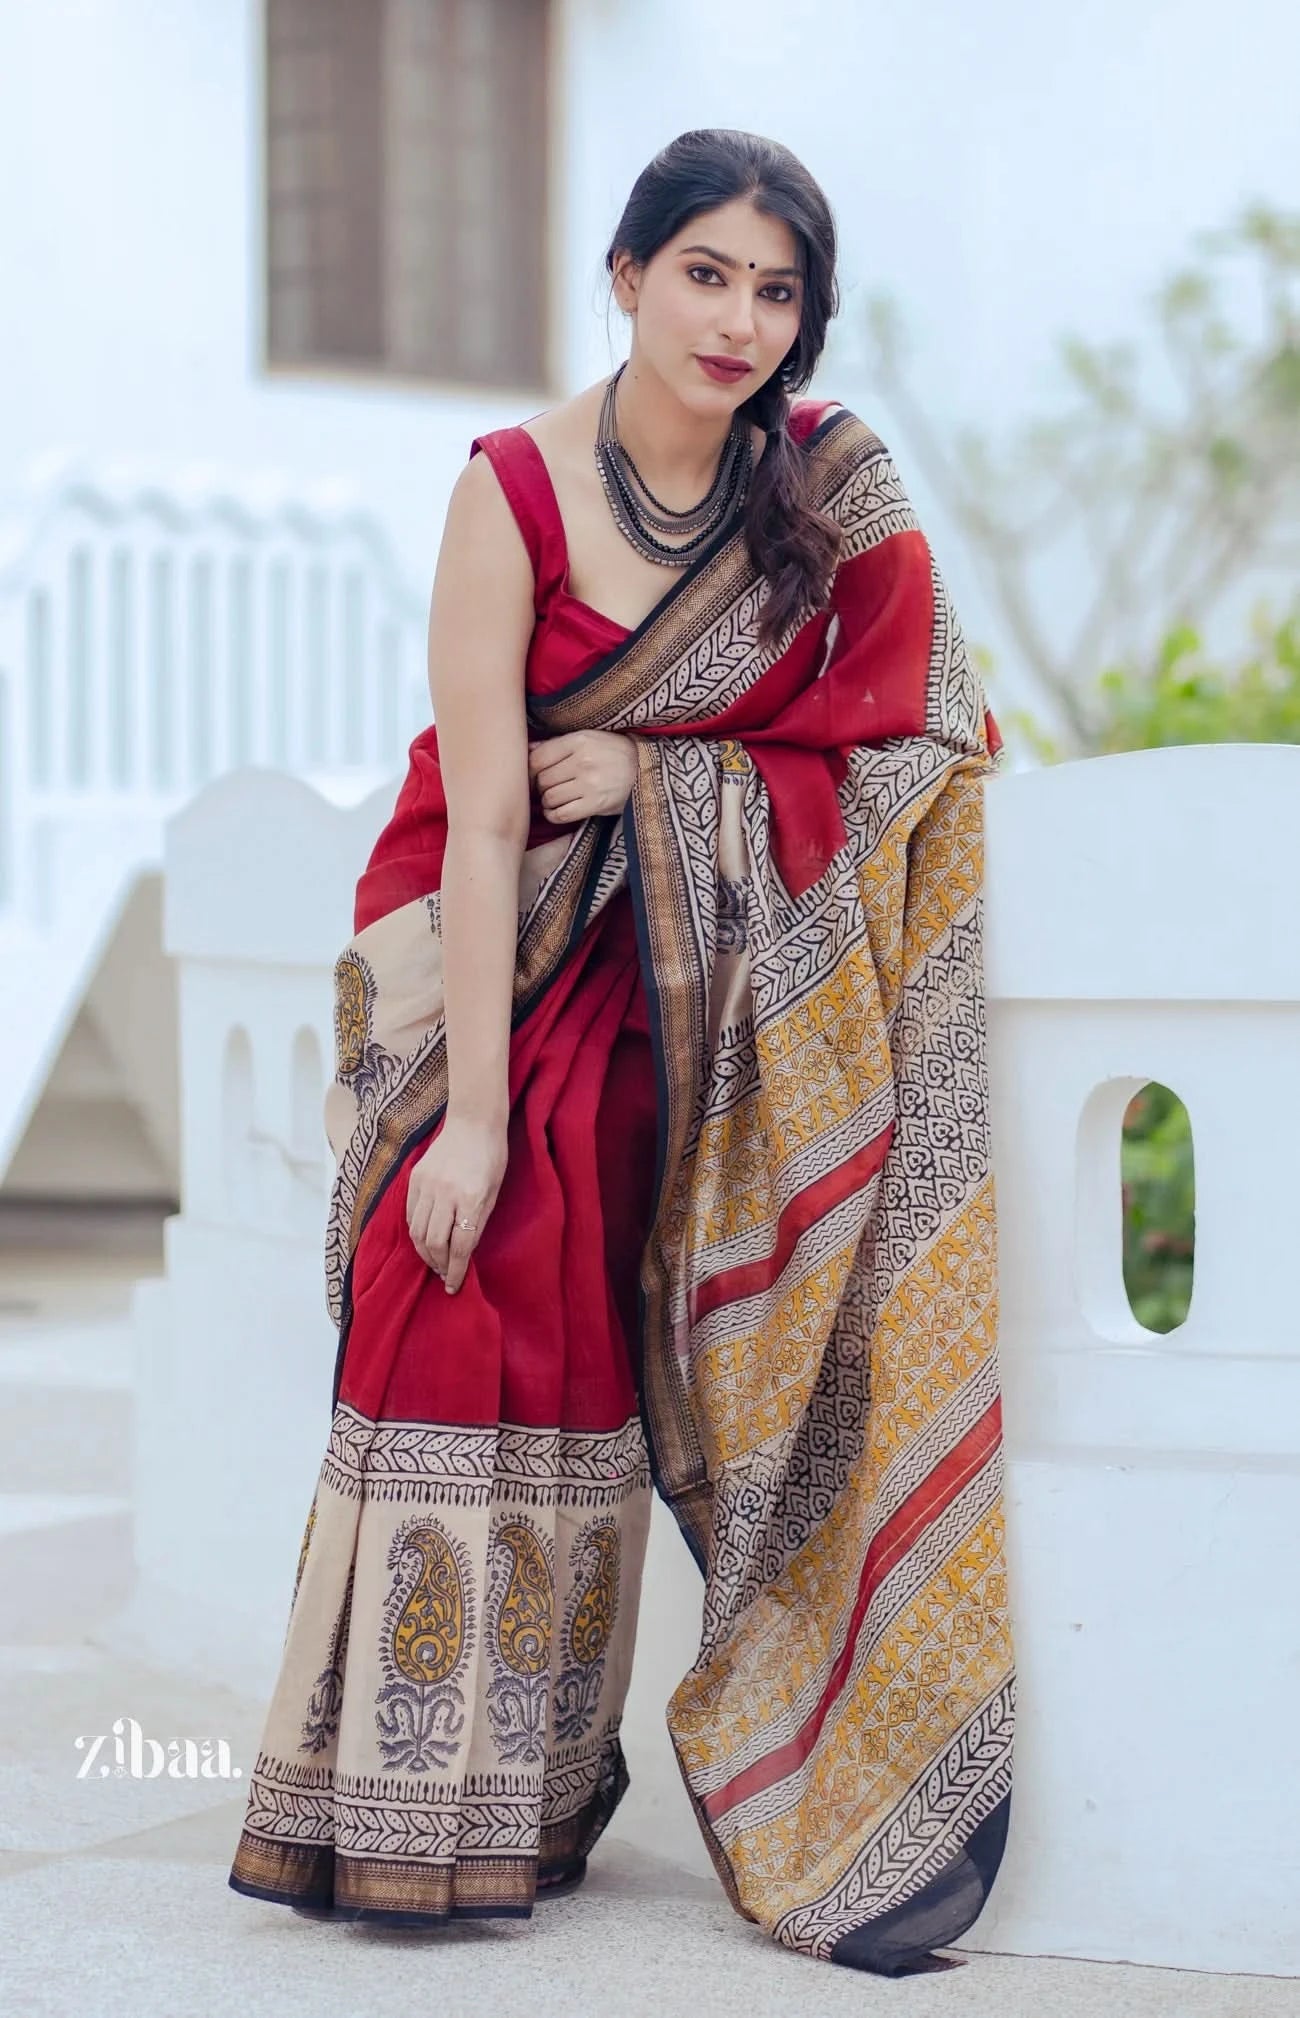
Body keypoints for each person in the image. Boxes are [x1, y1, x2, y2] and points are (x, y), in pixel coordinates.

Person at [227, 126, 1015, 1977]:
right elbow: (488, 820)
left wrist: (678, 774)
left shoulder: (834, 490)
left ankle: (535, 1795)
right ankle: (398, 1797)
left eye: (778, 290)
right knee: (453, 1265)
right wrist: (477, 1116)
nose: (739, 320)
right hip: (491, 940)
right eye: (706, 274)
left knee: (580, 1314)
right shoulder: (506, 490)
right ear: (626, 273)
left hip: (692, 967)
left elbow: (930, 739)